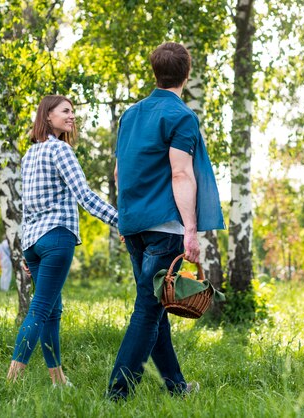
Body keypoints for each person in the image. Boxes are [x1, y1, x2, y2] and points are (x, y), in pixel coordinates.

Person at [107, 42, 224, 400]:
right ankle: (117, 394)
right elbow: (181, 174)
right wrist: (191, 230)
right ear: (186, 74)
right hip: (163, 227)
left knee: (154, 305)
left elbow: (119, 172)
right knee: (147, 309)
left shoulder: (130, 114)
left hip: (134, 224)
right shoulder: (182, 116)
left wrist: (124, 220)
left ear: (155, 71)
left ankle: (176, 387)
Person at [7, 95, 118, 386]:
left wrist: (26, 251)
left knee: (52, 311)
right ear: (47, 117)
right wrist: (121, 221)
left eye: (73, 112)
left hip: (33, 242)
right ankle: (11, 381)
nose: (72, 116)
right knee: (41, 309)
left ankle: (58, 380)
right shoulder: (61, 151)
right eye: (65, 111)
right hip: (57, 237)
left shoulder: (29, 155)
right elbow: (85, 196)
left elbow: (25, 207)